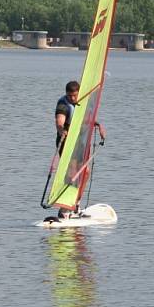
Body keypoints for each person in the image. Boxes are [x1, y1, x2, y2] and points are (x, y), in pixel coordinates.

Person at [53, 80, 106, 219]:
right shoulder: (63, 104)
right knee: (71, 173)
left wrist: (98, 125)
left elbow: (86, 119)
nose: (72, 98)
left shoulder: (82, 101)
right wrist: (61, 130)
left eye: (75, 95)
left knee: (85, 172)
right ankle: (64, 208)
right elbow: (60, 121)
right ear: (66, 94)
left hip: (80, 142)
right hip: (67, 142)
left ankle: (75, 204)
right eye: (70, 96)